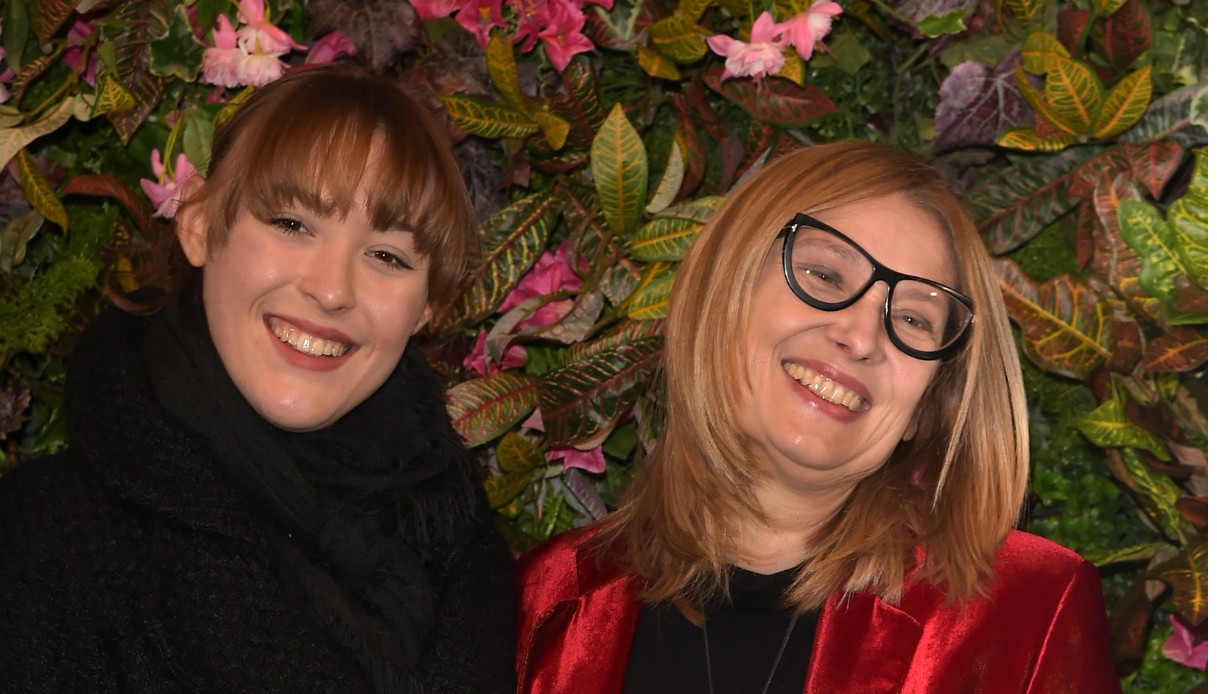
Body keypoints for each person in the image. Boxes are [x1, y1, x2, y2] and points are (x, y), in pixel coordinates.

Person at [515, 142, 1121, 693]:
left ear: (927, 406)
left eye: (912, 319)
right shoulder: (542, 604)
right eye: (825, 275)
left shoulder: (1025, 617)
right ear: (720, 295)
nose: (861, 336)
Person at [0, 63, 515, 692]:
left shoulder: (464, 555)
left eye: (386, 256)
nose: (332, 289)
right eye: (293, 225)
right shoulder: (45, 541)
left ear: (426, 308)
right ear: (199, 225)